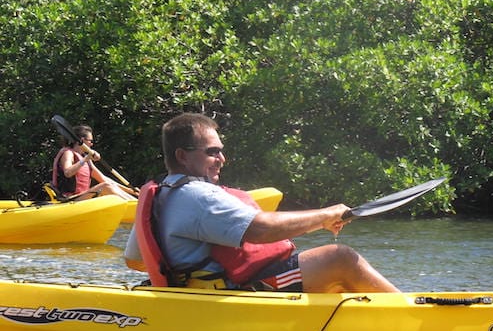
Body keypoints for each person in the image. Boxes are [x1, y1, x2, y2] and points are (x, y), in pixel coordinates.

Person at [124, 112, 400, 293]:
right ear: (183, 156)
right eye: (213, 152)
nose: (222, 159)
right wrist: (328, 214)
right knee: (340, 259)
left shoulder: (161, 194)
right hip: (237, 294)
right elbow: (262, 229)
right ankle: (412, 315)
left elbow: (135, 260)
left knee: (332, 282)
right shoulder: (198, 195)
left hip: (201, 294)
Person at [51, 124, 137, 201]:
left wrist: (131, 191)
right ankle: (135, 208)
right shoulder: (68, 153)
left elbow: (105, 179)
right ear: (82, 140)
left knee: (109, 185)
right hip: (69, 198)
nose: (92, 144)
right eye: (90, 141)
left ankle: (136, 204)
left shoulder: (85, 159)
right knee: (106, 186)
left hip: (82, 196)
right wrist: (85, 159)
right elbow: (67, 173)